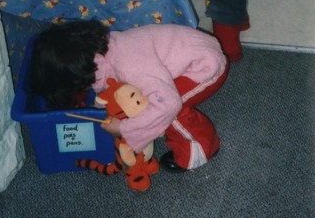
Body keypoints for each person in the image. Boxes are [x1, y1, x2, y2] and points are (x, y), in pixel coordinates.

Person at [30, 19, 228, 173]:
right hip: (190, 49)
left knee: (167, 108)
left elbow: (168, 103)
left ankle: (202, 148)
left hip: (204, 65)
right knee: (148, 98)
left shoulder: (128, 64)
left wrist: (125, 129)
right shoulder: (104, 48)